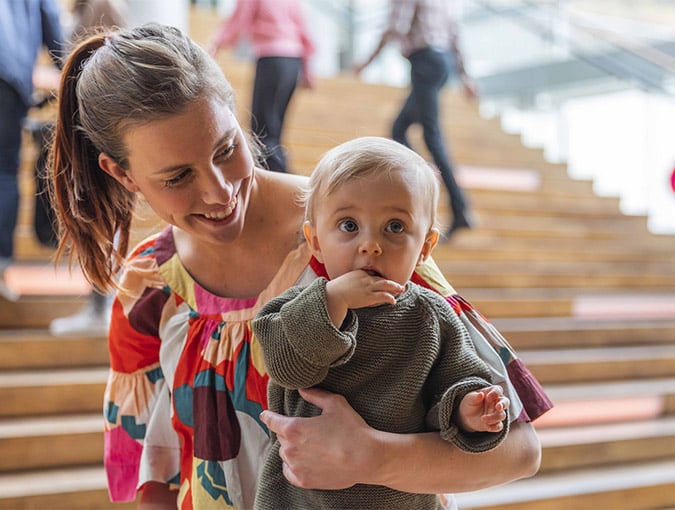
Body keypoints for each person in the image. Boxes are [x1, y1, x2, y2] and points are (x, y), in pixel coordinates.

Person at [48, 23, 550, 509]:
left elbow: (520, 452)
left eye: (227, 149)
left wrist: (371, 458)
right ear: (122, 174)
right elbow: (153, 478)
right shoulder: (147, 285)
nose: (219, 192)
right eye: (178, 176)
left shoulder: (353, 230)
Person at [252, 136, 510, 509]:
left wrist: (467, 408)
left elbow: (457, 383)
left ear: (424, 247)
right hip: (300, 500)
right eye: (348, 225)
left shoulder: (432, 317)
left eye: (394, 227)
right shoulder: (295, 306)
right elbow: (288, 367)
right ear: (315, 241)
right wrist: (334, 300)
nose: (370, 244)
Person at [354, 0, 477, 240]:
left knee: (431, 136)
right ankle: (445, 191)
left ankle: (458, 205)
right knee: (399, 128)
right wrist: (464, 75)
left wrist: (367, 61)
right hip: (441, 63)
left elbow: (396, 26)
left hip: (425, 62)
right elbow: (454, 35)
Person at [48, 0, 130, 337]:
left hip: (101, 128)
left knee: (101, 217)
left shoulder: (104, 5)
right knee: (91, 218)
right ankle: (99, 304)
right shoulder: (81, 10)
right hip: (84, 128)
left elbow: (121, 59)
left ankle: (103, 307)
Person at [0, 0, 64, 300]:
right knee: (4, 173)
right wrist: (71, 69)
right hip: (10, 79)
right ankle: (0, 268)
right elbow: (51, 26)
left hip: (10, 77)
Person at [208, 0, 315, 173]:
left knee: (262, 132)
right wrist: (307, 68)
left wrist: (216, 44)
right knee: (273, 132)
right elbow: (303, 30)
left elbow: (239, 19)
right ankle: (283, 182)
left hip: (272, 59)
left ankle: (282, 184)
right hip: (293, 62)